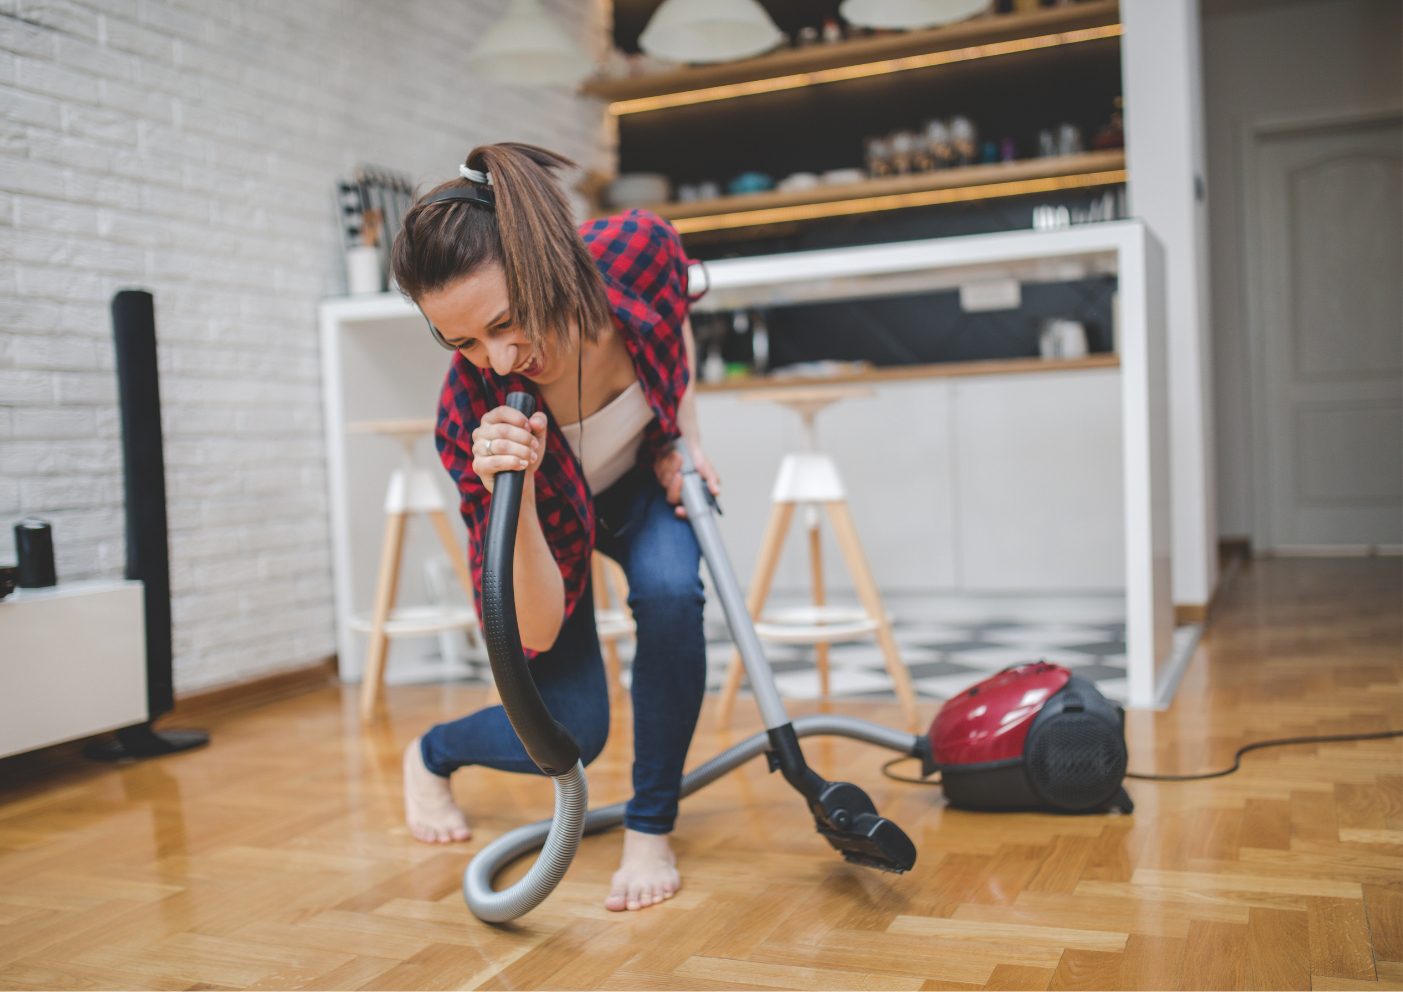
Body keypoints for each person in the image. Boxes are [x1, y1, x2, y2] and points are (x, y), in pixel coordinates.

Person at [390, 142, 721, 913]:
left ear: (546, 262)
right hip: (551, 536)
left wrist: (683, 434)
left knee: (674, 594)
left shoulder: (639, 250)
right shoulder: (470, 412)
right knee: (572, 731)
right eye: (463, 341)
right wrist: (521, 486)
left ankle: (651, 827)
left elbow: (675, 320)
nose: (497, 358)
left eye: (504, 322)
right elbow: (529, 625)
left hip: (638, 483)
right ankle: (432, 754)